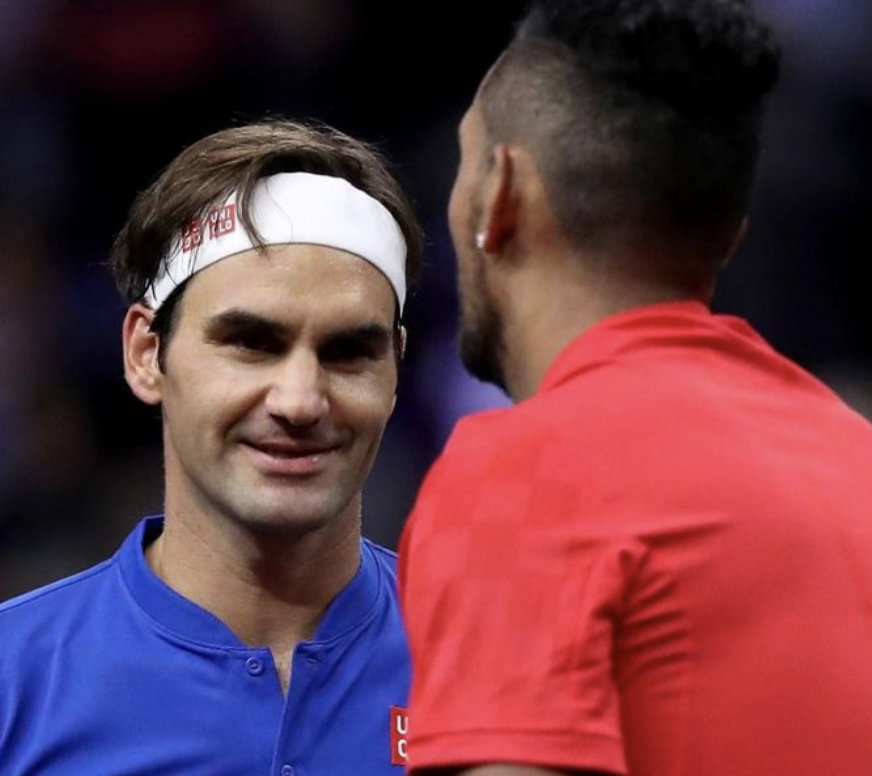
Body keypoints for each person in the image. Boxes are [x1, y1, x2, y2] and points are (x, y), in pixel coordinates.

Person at [399, 2, 872, 775]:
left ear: (501, 193)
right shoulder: (858, 454)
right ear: (729, 234)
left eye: (465, 161)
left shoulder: (523, 474)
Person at [0, 119, 422, 775]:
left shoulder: (500, 662)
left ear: (395, 369)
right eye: (251, 343)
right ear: (146, 354)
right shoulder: (14, 678)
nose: (300, 401)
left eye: (348, 351)